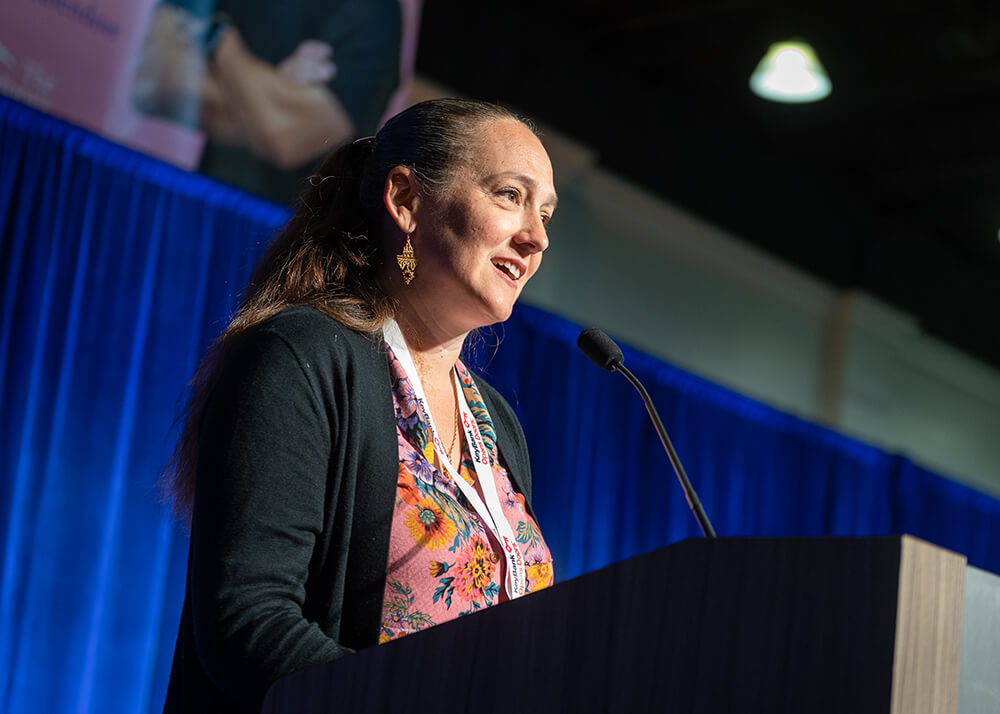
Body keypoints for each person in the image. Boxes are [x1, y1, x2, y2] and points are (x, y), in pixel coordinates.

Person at [162, 98, 558, 713]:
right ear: (406, 201)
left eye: (546, 213)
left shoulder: (497, 425)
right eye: (510, 195)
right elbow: (247, 624)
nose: (536, 237)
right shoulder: (300, 357)